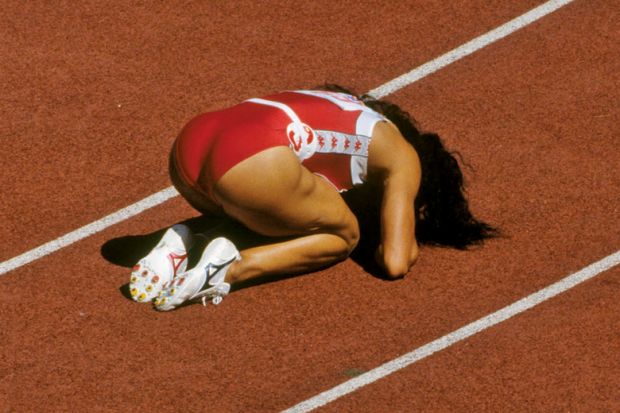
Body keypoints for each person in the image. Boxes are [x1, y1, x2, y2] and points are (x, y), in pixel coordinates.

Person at [129, 85, 497, 311]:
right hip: (252, 165)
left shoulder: (342, 102)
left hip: (188, 152)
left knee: (279, 215)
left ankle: (192, 236)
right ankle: (226, 269)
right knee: (343, 235)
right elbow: (395, 262)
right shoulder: (403, 155)